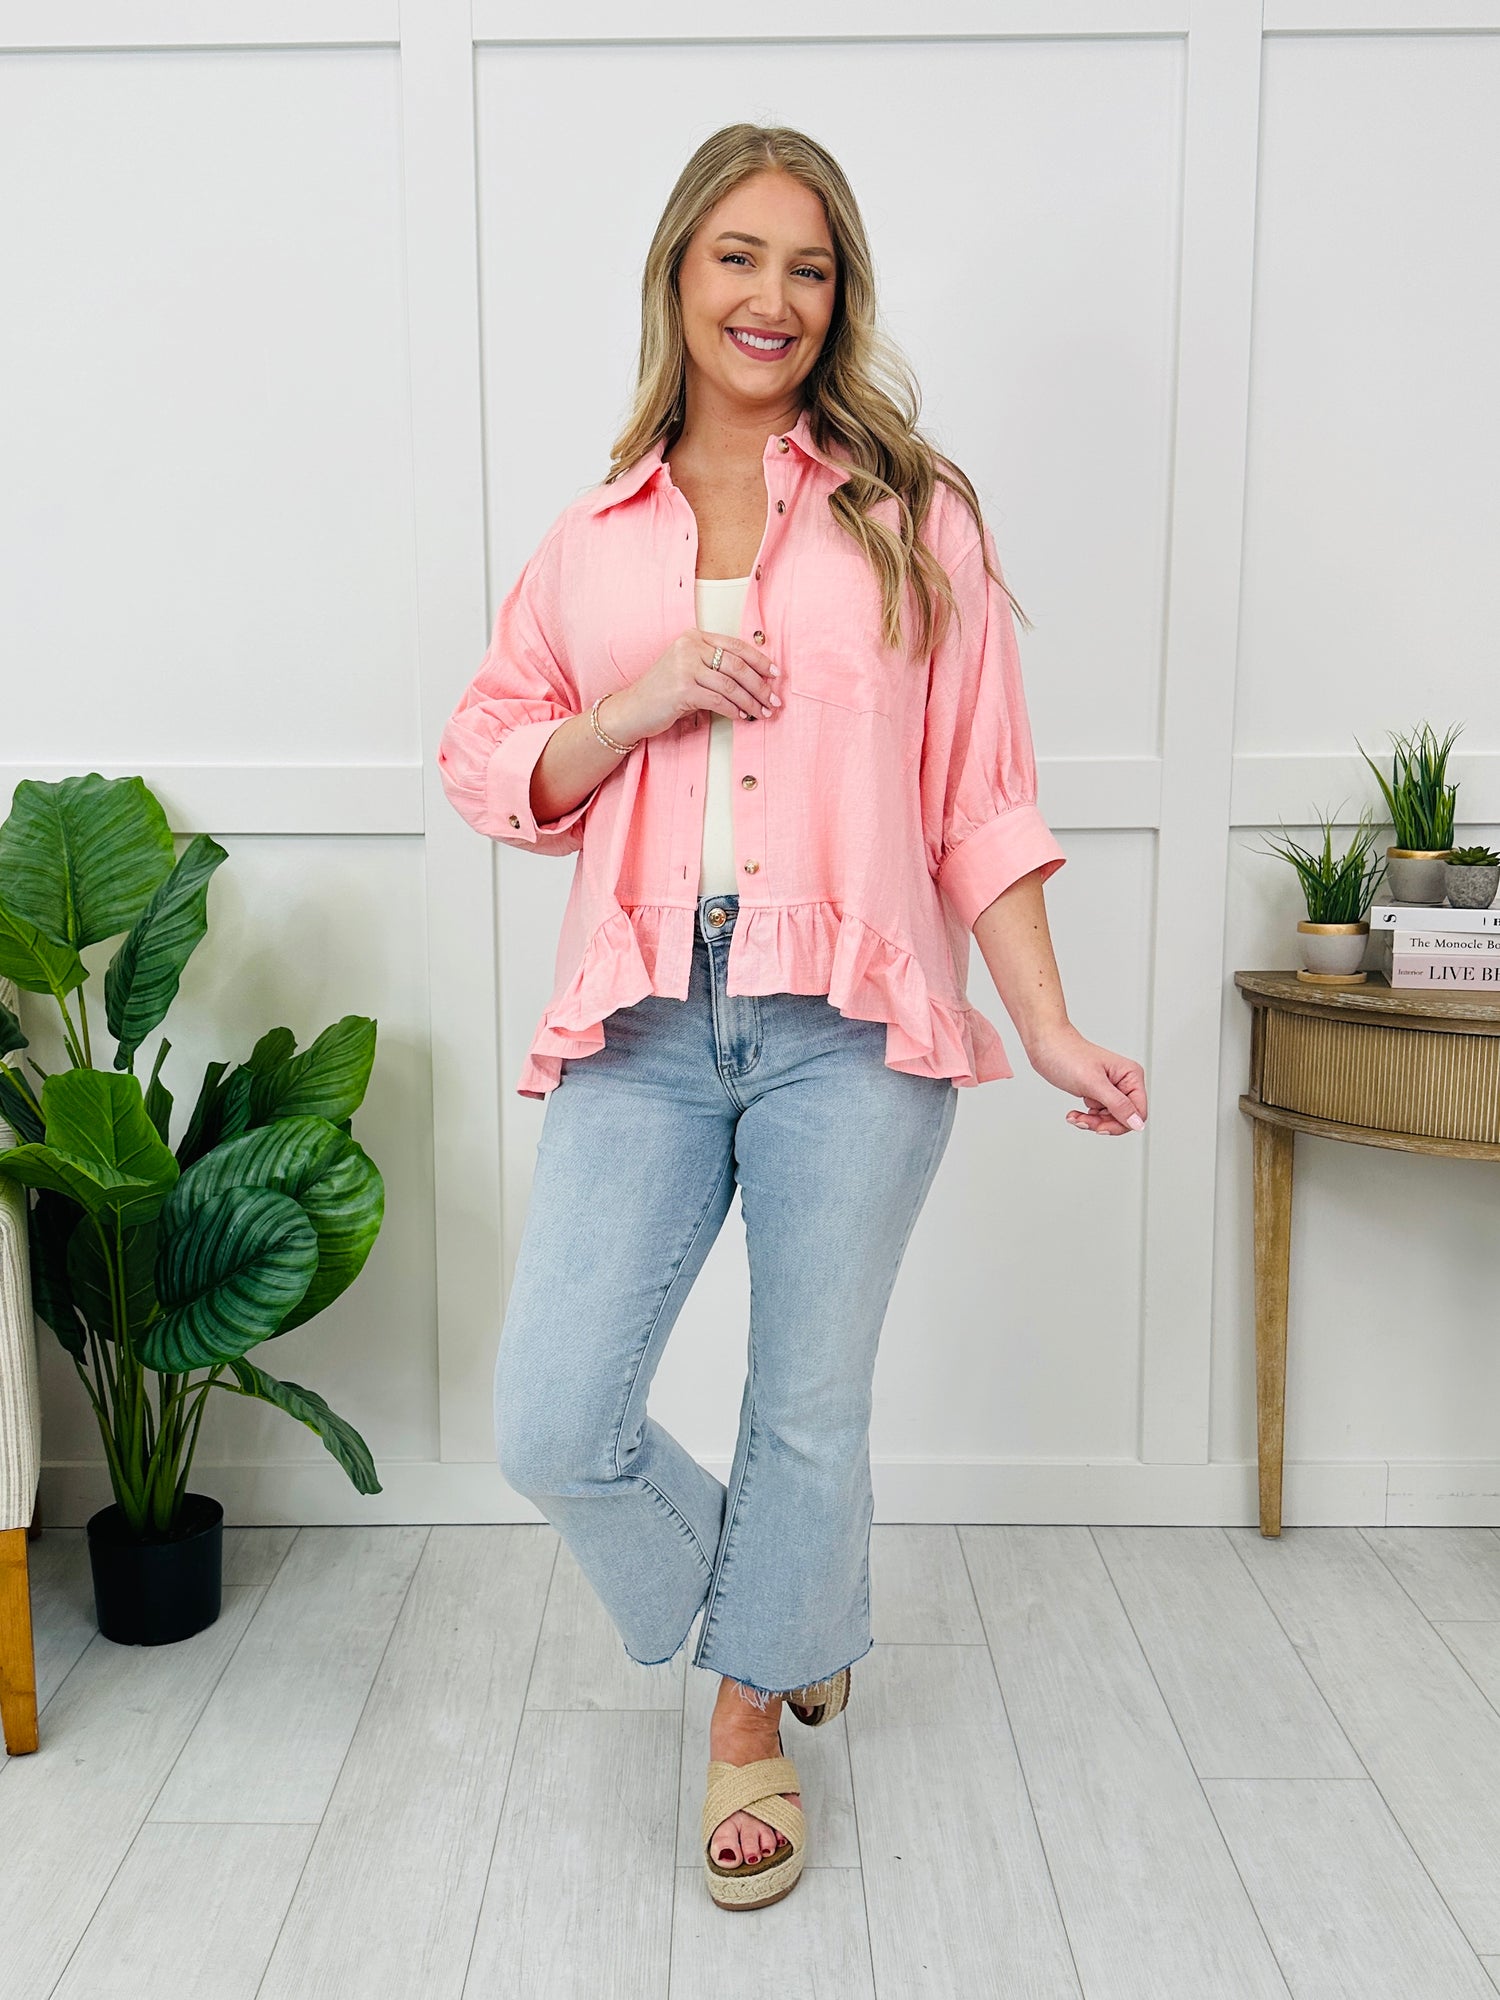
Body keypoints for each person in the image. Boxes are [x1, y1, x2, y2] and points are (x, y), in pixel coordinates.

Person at [436, 123, 1148, 1913]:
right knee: (551, 1421)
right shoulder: (595, 540)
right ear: (678, 275)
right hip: (644, 1022)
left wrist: (1049, 1023)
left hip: (854, 1022)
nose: (774, 297)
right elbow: (491, 757)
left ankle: (749, 1719)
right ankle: (798, 1613)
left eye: (810, 267)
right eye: (739, 257)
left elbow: (979, 797)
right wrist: (634, 702)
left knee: (806, 1410)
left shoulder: (916, 514)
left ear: (842, 298)